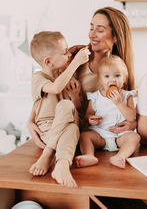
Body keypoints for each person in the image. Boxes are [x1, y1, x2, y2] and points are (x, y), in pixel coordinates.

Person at [28, 7, 136, 150]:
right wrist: (30, 121)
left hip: (95, 137)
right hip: (65, 132)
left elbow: (126, 106)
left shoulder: (119, 70)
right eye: (91, 28)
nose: (92, 35)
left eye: (100, 30)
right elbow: (48, 91)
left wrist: (133, 124)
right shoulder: (73, 57)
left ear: (116, 37)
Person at [28, 31, 90, 188]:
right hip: (48, 129)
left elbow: (75, 111)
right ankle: (55, 159)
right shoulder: (38, 78)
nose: (69, 55)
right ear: (48, 62)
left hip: (66, 128)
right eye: (64, 52)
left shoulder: (68, 77)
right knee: (69, 118)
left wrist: (75, 97)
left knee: (72, 120)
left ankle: (55, 161)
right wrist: (76, 62)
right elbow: (55, 88)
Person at [75, 55, 139, 169]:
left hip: (120, 136)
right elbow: (88, 115)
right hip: (100, 135)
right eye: (107, 76)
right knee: (84, 136)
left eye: (118, 76)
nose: (112, 79)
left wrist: (119, 103)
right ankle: (89, 155)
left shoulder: (127, 95)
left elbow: (132, 117)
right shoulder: (95, 97)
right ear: (100, 79)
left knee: (134, 137)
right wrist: (91, 119)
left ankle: (120, 156)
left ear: (124, 78)